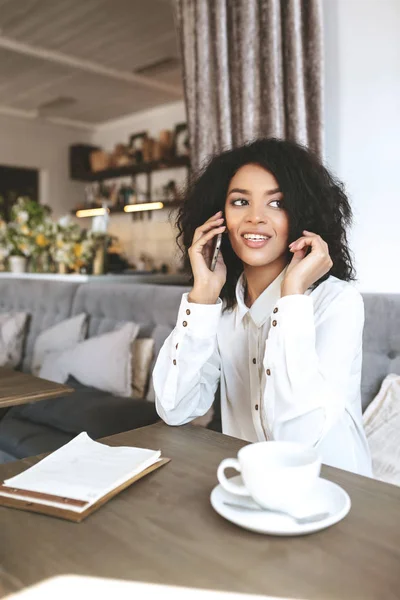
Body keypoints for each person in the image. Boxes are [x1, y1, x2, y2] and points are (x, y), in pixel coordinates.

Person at [153, 138, 372, 476]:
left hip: (334, 488)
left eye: (277, 203)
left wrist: (292, 297)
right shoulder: (220, 308)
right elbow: (174, 408)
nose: (255, 218)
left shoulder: (337, 303)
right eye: (240, 201)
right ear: (219, 215)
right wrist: (201, 298)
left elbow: (301, 437)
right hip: (248, 487)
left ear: (302, 213)